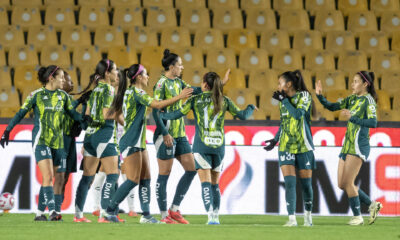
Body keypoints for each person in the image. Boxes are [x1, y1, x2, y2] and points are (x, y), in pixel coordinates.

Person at [160, 71, 255, 224]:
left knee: (205, 183)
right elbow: (243, 115)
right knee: (215, 184)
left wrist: (162, 115)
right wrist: (251, 107)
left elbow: (178, 114)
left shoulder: (195, 100)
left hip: (201, 146)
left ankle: (210, 216)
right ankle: (216, 216)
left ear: (204, 84)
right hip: (218, 147)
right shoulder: (225, 100)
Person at [104, 64, 193, 223]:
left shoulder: (127, 92)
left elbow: (116, 114)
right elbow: (157, 105)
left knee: (146, 178)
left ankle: (146, 216)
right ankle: (109, 210)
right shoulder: (137, 93)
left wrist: (128, 125)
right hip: (131, 141)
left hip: (137, 140)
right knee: (132, 180)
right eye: (145, 74)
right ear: (138, 77)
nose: (148, 77)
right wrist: (179, 97)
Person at [0, 65, 88, 221]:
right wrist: (7, 131)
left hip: (58, 142)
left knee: (50, 178)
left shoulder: (63, 96)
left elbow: (73, 113)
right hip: (41, 141)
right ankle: (53, 211)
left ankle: (39, 213)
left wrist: (83, 120)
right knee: (48, 175)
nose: (63, 80)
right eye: (61, 77)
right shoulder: (36, 95)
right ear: (51, 78)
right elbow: (21, 113)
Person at [152, 49, 229, 224]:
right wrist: (164, 133)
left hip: (181, 135)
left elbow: (197, 90)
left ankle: (174, 209)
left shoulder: (179, 82)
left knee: (192, 169)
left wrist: (218, 84)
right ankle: (164, 215)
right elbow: (156, 110)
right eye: (179, 65)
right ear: (171, 67)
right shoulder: (160, 84)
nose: (182, 67)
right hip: (166, 134)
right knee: (165, 173)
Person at [315, 71, 382, 225]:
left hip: (358, 145)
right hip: (347, 145)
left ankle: (358, 217)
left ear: (365, 84)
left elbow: (373, 123)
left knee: (348, 182)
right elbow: (332, 107)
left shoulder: (368, 101)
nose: (352, 84)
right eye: (352, 81)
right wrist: (320, 96)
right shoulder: (352, 99)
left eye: (356, 81)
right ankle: (372, 205)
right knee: (342, 184)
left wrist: (353, 117)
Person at [263, 70, 316, 227]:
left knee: (306, 185)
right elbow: (285, 121)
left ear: (289, 84)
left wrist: (284, 101)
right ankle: (292, 218)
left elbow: (298, 115)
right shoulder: (283, 100)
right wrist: (275, 139)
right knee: (290, 183)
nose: (278, 86)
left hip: (303, 145)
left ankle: (308, 216)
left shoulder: (304, 96)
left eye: (280, 83)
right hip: (286, 145)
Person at [74, 59, 120, 223]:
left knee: (87, 178)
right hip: (104, 134)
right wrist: (124, 121)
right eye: (115, 70)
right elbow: (107, 114)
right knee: (113, 175)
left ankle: (78, 215)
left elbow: (87, 114)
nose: (117, 73)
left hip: (90, 137)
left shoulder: (94, 91)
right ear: (107, 73)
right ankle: (105, 214)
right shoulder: (108, 89)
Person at [52, 71, 91, 216]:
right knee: (59, 177)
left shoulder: (68, 99)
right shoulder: (56, 97)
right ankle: (52, 209)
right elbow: (64, 110)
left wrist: (85, 105)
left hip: (70, 142)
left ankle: (57, 208)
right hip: (60, 141)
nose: (72, 83)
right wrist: (80, 100)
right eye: (68, 80)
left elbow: (79, 121)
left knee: (66, 177)